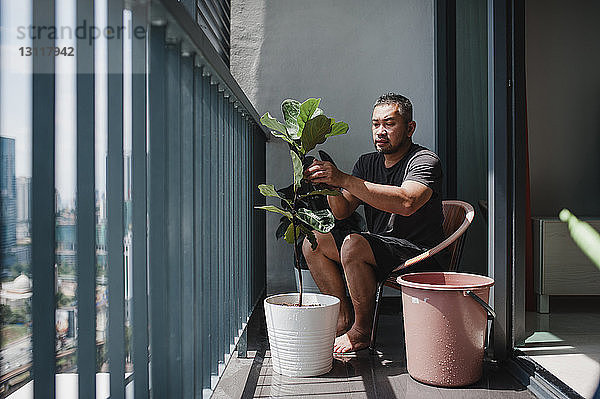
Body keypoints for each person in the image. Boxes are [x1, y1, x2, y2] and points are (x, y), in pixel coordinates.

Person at [303, 93, 447, 353]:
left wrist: (345, 179)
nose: (380, 131)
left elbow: (407, 202)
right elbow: (342, 211)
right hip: (380, 247)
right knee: (314, 241)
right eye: (375, 124)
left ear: (410, 128)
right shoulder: (367, 163)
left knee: (353, 244)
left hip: (418, 252)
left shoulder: (424, 160)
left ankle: (361, 331)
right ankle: (343, 320)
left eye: (389, 124)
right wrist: (329, 184)